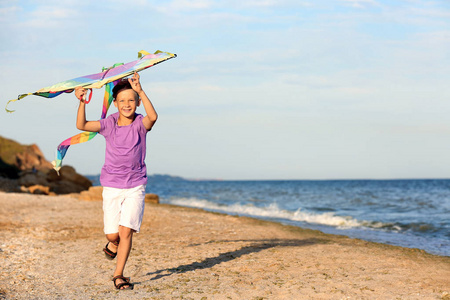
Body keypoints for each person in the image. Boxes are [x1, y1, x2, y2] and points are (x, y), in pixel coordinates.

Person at [75, 72, 157, 290]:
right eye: (122, 100)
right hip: (111, 185)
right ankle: (113, 243)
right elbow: (81, 125)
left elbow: (154, 117)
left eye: (131, 100)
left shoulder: (141, 123)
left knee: (126, 230)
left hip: (135, 185)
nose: (127, 104)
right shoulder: (109, 124)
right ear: (115, 103)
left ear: (137, 102)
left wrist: (140, 89)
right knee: (114, 234)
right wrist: (82, 101)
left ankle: (119, 274)